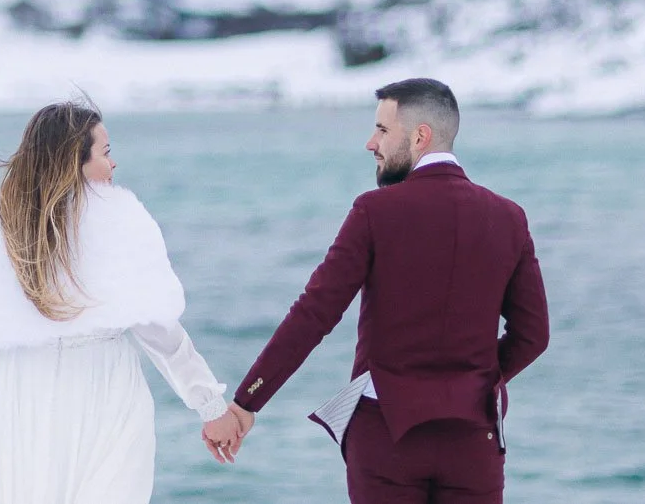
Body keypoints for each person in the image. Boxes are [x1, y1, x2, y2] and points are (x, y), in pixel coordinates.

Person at [0, 101, 248, 503]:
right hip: (105, 391)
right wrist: (210, 406)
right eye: (105, 153)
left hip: (19, 394)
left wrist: (14, 377)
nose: (113, 165)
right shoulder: (118, 220)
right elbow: (159, 330)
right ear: (72, 161)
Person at [216, 78, 549, 503]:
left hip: (386, 433)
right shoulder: (508, 217)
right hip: (473, 438)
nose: (370, 142)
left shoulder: (374, 211)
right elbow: (533, 335)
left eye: (382, 130)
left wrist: (246, 403)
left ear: (420, 136)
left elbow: (315, 313)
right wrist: (475, 384)